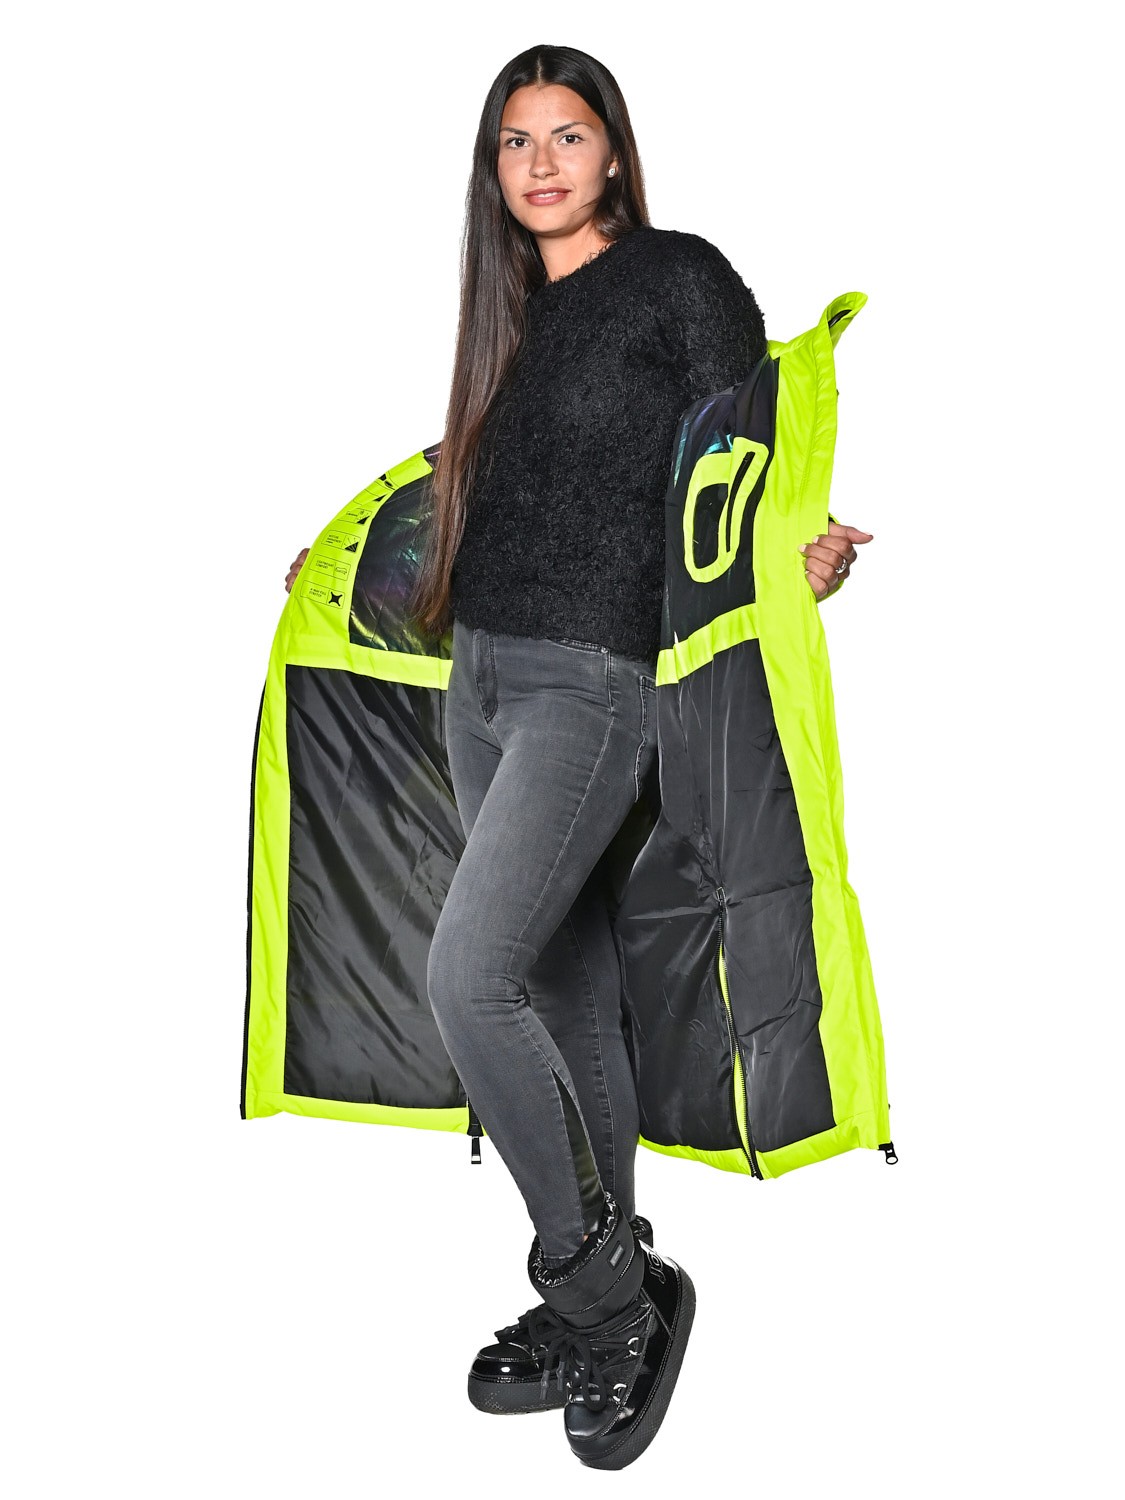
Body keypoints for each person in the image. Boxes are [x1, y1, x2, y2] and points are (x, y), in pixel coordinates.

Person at [283, 43, 873, 1471]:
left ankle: (605, 1298)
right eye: (515, 141)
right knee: (558, 983)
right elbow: (485, 492)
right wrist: (353, 566)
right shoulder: (514, 326)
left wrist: (798, 556)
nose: (540, 163)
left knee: (466, 975)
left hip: (594, 686)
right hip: (479, 678)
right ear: (491, 171)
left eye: (566, 134)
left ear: (611, 150)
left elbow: (744, 454)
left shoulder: (676, 280)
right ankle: (615, 1281)